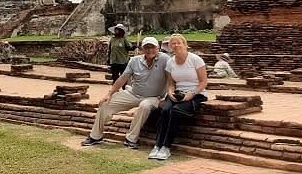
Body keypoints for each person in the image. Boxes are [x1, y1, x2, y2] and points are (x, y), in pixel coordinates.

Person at [82, 37, 169, 148]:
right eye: (147, 47)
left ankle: (131, 139)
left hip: (154, 97)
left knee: (144, 106)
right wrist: (109, 94)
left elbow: (172, 77)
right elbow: (123, 78)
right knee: (105, 103)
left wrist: (167, 97)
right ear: (142, 49)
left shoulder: (165, 59)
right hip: (134, 93)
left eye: (152, 47)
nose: (149, 50)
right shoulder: (134, 61)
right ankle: (95, 136)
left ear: (158, 48)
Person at [150, 33, 208, 161]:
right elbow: (171, 83)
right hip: (178, 93)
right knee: (165, 110)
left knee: (175, 111)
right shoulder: (171, 62)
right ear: (170, 46)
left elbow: (203, 82)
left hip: (196, 94)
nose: (176, 45)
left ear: (185, 45)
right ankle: (157, 145)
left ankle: (166, 146)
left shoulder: (195, 59)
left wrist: (191, 95)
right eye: (173, 43)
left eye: (178, 43)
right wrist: (170, 92)